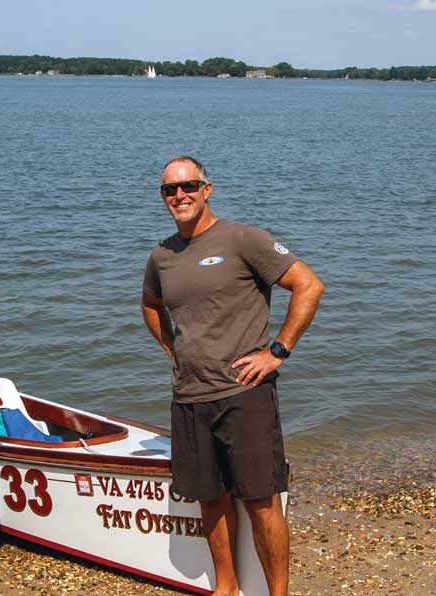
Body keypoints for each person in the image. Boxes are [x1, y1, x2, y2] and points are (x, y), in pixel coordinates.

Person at [141, 156, 323, 596]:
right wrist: (174, 351)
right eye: (170, 189)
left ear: (208, 189)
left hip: (246, 393)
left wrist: (277, 351)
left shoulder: (243, 239)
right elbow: (151, 303)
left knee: (261, 500)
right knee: (211, 498)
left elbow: (308, 285)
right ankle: (227, 587)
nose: (179, 195)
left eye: (188, 186)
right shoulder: (162, 254)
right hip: (190, 395)